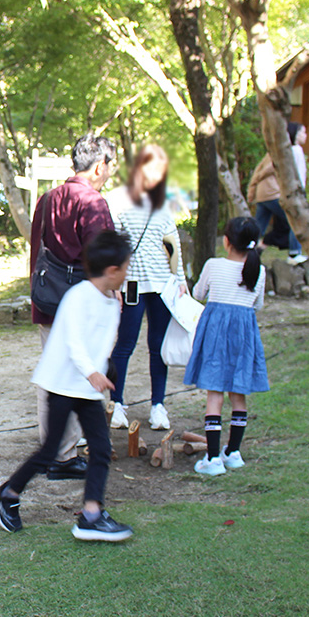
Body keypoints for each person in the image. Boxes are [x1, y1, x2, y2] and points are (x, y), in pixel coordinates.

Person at [0, 230, 134, 542]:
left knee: (101, 448)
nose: (128, 273)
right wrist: (92, 373)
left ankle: (92, 515)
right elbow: (72, 340)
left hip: (85, 388)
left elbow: (103, 342)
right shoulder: (78, 296)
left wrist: (102, 367)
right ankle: (8, 492)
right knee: (50, 451)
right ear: (112, 271)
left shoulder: (112, 302)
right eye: (126, 267)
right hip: (61, 383)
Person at [28, 133, 117, 481]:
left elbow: (36, 251)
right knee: (84, 373)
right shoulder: (94, 203)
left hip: (49, 299)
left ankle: (57, 452)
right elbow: (104, 260)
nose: (110, 173)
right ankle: (65, 456)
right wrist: (113, 300)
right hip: (83, 307)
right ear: (99, 166)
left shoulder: (48, 199)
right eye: (110, 166)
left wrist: (38, 295)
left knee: (52, 375)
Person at [109, 145, 186, 432]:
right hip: (131, 285)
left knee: (158, 347)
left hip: (162, 285)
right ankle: (116, 403)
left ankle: (158, 405)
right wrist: (113, 284)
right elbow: (114, 245)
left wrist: (180, 281)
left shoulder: (163, 204)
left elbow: (173, 243)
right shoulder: (118, 200)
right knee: (125, 344)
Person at [185, 217, 269, 476]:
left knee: (215, 394)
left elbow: (198, 294)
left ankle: (212, 458)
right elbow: (258, 304)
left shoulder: (214, 265)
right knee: (238, 393)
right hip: (244, 334)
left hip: (216, 334)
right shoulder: (260, 270)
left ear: (227, 241)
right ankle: (233, 453)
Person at [247, 123, 308, 266]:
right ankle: (294, 253)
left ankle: (246, 252)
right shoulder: (293, 150)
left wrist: (252, 190)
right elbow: (297, 175)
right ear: (294, 134)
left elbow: (258, 171)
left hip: (262, 195)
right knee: (296, 219)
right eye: (302, 132)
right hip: (274, 193)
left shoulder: (271, 152)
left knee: (258, 227)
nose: (305, 136)